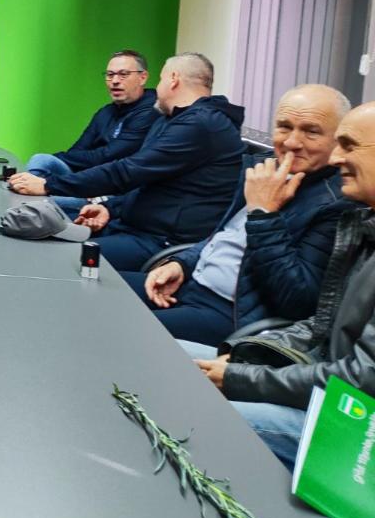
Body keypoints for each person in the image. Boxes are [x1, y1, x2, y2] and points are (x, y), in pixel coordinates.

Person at [192, 100, 375, 472]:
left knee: (192, 409)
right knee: (172, 361)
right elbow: (322, 324)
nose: (336, 158)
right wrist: (244, 358)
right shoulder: (363, 222)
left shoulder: (337, 207)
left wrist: (242, 377)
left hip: (357, 426)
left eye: (349, 146)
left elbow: (361, 379)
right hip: (318, 379)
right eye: (284, 126)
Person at [120, 85, 354, 346]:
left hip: (230, 313)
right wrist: (182, 264)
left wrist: (263, 214)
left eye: (311, 131)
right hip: (190, 284)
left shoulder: (338, 204)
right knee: (95, 290)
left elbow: (297, 300)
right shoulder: (265, 168)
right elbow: (224, 235)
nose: (291, 142)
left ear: (339, 142)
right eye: (284, 127)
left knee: (119, 330)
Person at [9, 53, 244, 271]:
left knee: (55, 259)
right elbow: (146, 180)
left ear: (173, 79)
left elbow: (127, 171)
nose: (157, 89)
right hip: (129, 225)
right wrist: (110, 208)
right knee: (35, 231)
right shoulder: (174, 120)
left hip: (158, 241)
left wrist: (49, 185)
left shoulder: (201, 125)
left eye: (160, 79)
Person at [19, 49, 159, 216]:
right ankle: (24, 192)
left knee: (39, 202)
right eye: (110, 75)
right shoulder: (106, 112)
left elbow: (108, 156)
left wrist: (55, 177)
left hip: (112, 191)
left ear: (143, 77)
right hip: (85, 181)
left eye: (123, 74)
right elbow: (77, 151)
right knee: (41, 159)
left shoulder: (150, 112)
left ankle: (24, 205)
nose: (115, 81)